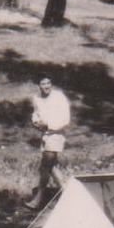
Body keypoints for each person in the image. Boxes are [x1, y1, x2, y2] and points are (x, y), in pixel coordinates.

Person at [27, 76, 71, 210]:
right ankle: (69, 193)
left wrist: (49, 125)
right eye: (43, 83)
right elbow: (36, 114)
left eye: (48, 83)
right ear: (39, 86)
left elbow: (66, 120)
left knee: (45, 166)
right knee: (51, 167)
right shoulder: (37, 98)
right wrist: (36, 122)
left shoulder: (59, 97)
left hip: (56, 134)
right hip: (45, 136)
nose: (46, 86)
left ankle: (37, 201)